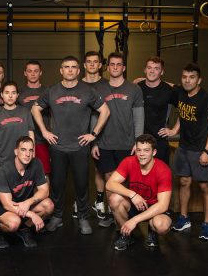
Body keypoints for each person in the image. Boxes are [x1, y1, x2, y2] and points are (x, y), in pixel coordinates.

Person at [32, 55, 110, 235]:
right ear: (61, 70)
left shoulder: (87, 91)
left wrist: (93, 134)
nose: (69, 70)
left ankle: (83, 217)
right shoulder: (52, 91)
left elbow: (105, 110)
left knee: (82, 184)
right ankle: (57, 217)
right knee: (58, 185)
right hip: (58, 147)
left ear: (78, 70)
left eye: (73, 67)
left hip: (79, 147)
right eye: (66, 67)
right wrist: (44, 131)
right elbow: (35, 108)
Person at [161, 63, 208, 240]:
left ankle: (207, 224)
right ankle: (184, 218)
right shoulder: (180, 93)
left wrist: (207, 151)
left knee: (204, 187)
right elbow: (181, 112)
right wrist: (174, 130)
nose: (187, 80)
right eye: (184, 77)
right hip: (184, 147)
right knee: (184, 182)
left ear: (199, 80)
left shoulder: (207, 98)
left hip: (200, 149)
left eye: (191, 77)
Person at [92, 52, 144, 228]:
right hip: (105, 143)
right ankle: (113, 215)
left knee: (127, 182)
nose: (115, 67)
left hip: (127, 144)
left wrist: (138, 142)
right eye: (112, 64)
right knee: (109, 180)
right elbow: (95, 116)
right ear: (108, 67)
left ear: (124, 67)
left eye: (118, 64)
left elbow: (138, 117)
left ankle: (127, 214)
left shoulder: (134, 89)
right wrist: (94, 141)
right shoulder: (99, 89)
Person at [106, 134, 172, 250]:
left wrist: (134, 221)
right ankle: (127, 236)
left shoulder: (163, 170)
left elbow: (163, 205)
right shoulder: (129, 162)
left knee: (162, 225)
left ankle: (152, 231)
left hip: (154, 209)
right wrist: (133, 195)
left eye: (146, 150)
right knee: (114, 198)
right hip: (135, 204)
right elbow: (109, 184)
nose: (141, 154)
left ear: (154, 152)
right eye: (139, 150)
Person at [0, 136, 54, 249]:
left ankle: (24, 229)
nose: (27, 154)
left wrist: (29, 202)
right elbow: (7, 204)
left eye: (30, 150)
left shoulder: (36, 164)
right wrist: (31, 214)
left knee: (48, 205)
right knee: (14, 223)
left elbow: (45, 191)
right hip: (2, 207)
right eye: (23, 149)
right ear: (16, 151)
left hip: (23, 203)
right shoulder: (3, 170)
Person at [80, 51, 110, 219]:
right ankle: (80, 201)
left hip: (100, 133)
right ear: (84, 65)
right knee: (80, 171)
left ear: (100, 65)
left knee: (100, 170)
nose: (92, 65)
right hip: (80, 134)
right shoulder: (76, 84)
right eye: (88, 62)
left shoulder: (107, 85)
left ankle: (99, 201)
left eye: (95, 62)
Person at [137, 56, 176, 164]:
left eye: (156, 68)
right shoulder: (136, 88)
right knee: (141, 177)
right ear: (145, 70)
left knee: (161, 177)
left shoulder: (169, 90)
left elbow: (185, 109)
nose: (152, 71)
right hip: (140, 141)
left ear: (162, 72)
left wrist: (174, 130)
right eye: (149, 67)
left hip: (160, 141)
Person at [0, 81, 35, 172]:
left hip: (23, 158)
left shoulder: (25, 112)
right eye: (7, 93)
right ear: (2, 95)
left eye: (13, 93)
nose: (10, 96)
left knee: (23, 186)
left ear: (17, 95)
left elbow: (31, 135)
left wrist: (32, 155)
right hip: (2, 160)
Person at [17, 60, 52, 181]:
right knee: (23, 174)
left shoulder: (48, 92)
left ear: (40, 73)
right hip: (23, 139)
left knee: (44, 174)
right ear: (25, 73)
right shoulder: (19, 93)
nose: (33, 74)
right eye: (30, 71)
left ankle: (45, 199)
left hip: (43, 140)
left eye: (36, 71)